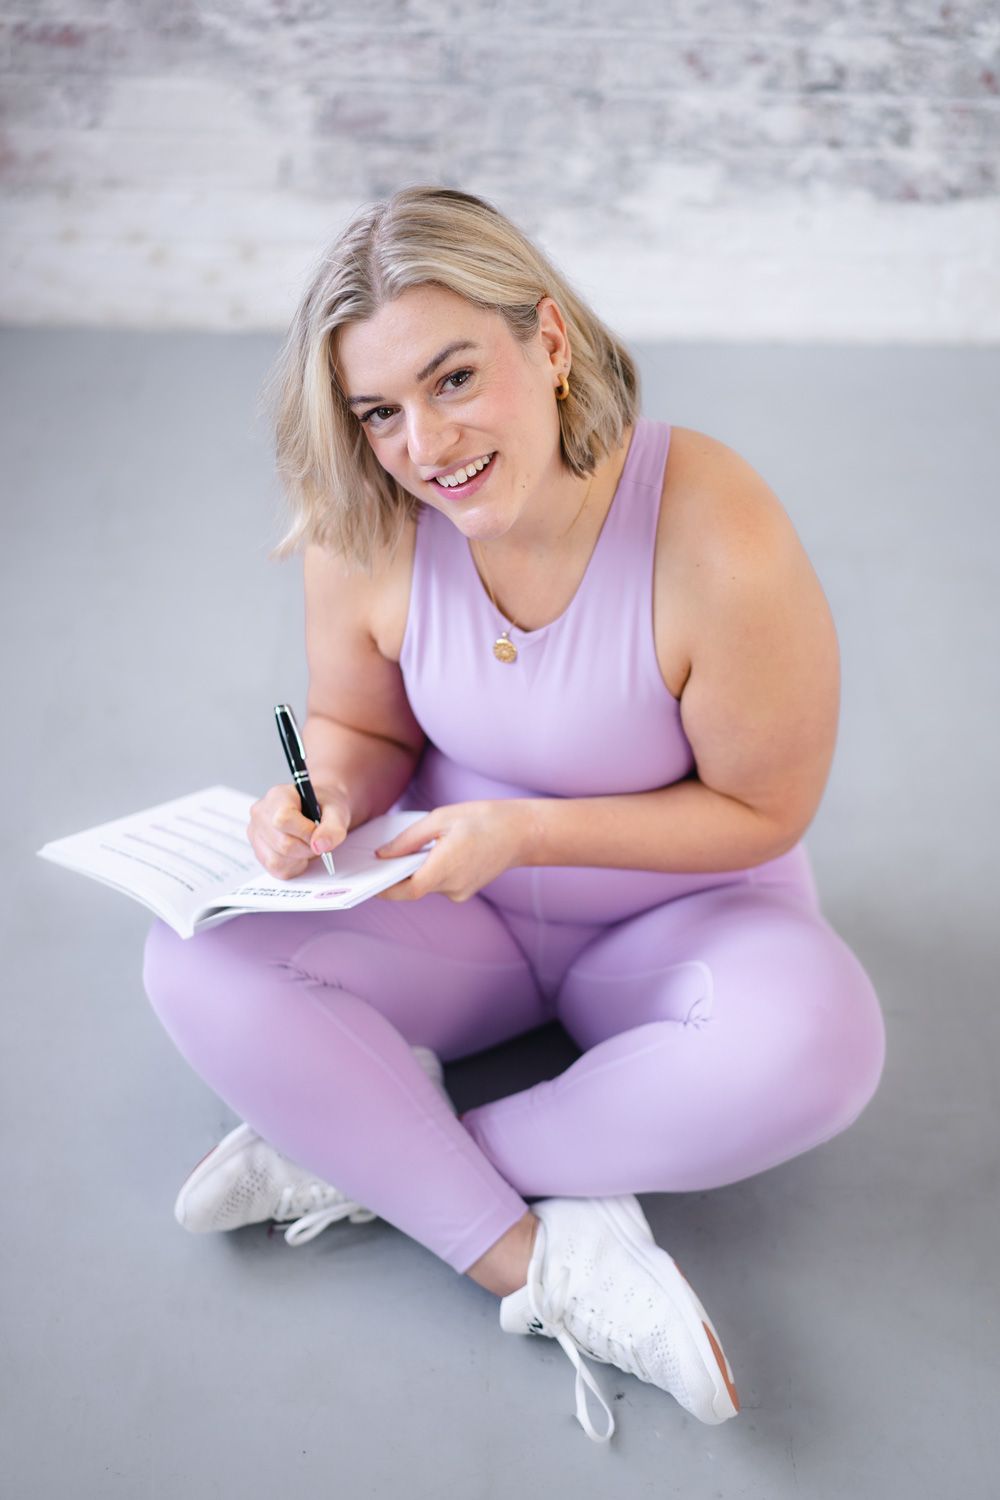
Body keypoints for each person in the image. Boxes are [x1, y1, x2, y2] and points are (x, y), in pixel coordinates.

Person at [141, 185, 886, 1445]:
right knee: (192, 959)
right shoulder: (371, 517)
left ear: (547, 340)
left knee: (819, 1048)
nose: (425, 446)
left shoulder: (714, 525)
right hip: (453, 900)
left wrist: (529, 832)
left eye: (453, 380)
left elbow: (762, 809)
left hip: (684, 910)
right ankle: (539, 1259)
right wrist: (318, 799)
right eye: (381, 411)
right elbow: (364, 729)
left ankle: (373, 1149)